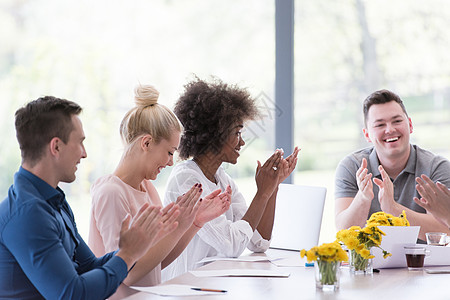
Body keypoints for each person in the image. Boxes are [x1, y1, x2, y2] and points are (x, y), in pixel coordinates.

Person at [0, 96, 179, 299]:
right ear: (56, 147)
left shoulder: (54, 201)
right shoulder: (28, 213)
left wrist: (137, 245)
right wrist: (128, 254)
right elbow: (73, 294)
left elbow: (89, 265)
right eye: (80, 142)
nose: (84, 154)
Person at [88, 84, 231, 298]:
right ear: (146, 142)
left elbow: (157, 262)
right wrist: (181, 224)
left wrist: (194, 222)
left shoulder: (148, 189)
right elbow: (127, 274)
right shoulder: (111, 192)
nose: (171, 162)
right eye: (169, 152)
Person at [162, 77, 299, 280]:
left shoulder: (222, 178)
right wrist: (262, 193)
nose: (242, 142)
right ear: (215, 134)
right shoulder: (187, 180)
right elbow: (231, 245)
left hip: (213, 286)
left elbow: (259, 242)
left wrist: (272, 186)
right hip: (185, 287)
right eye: (237, 133)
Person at [335, 89, 450, 240]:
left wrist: (394, 209)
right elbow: (343, 233)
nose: (390, 130)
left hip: (422, 262)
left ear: (410, 125)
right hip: (368, 262)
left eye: (397, 121)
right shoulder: (352, 166)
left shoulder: (436, 167)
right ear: (367, 134)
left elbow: (444, 230)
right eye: (380, 125)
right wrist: (363, 199)